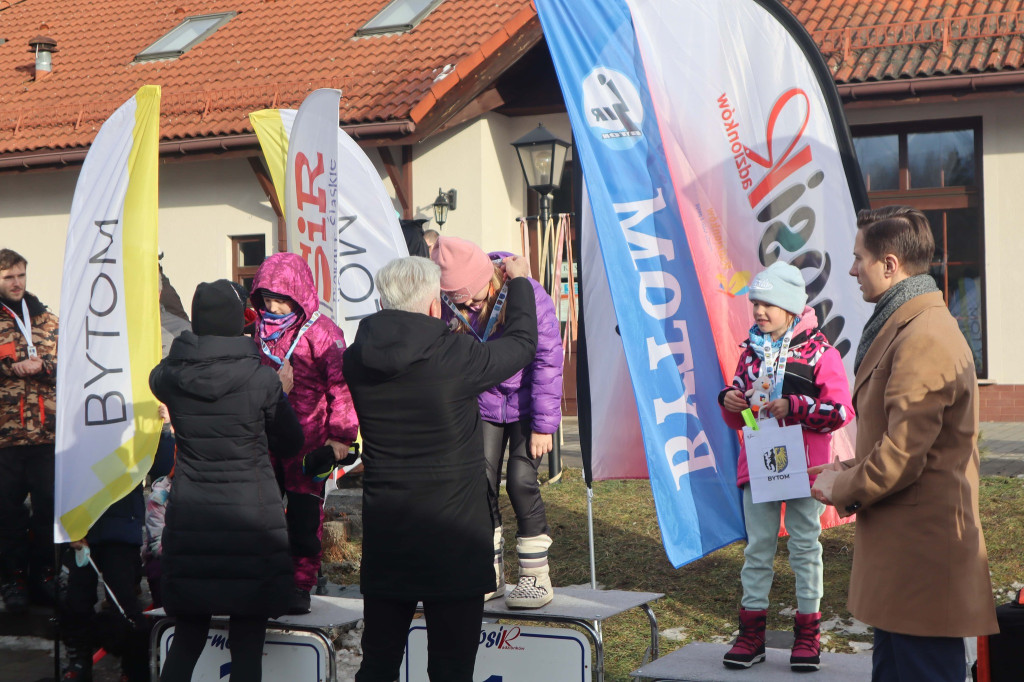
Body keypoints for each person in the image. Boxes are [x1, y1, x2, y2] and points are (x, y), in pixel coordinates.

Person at [810, 206, 998, 681]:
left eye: (859, 258)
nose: (852, 269)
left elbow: (903, 456)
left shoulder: (924, 335)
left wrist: (843, 487)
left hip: (921, 565)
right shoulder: (906, 325)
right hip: (904, 562)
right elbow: (905, 442)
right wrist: (844, 468)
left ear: (890, 264)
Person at [343, 255, 537, 682]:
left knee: (377, 665)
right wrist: (519, 283)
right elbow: (523, 343)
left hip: (389, 531)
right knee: (451, 670)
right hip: (454, 535)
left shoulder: (355, 359)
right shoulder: (456, 356)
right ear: (434, 306)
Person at [149, 279, 304, 682]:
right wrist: (281, 392)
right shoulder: (262, 380)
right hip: (250, 521)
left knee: (186, 639)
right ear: (240, 322)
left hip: (193, 517)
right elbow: (290, 443)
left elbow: (157, 376)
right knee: (247, 645)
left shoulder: (169, 377)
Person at [717, 261, 854, 671]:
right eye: (756, 302)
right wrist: (731, 401)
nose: (759, 311)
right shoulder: (750, 352)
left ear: (792, 308)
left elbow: (841, 411)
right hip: (759, 466)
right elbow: (743, 413)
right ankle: (751, 635)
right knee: (757, 549)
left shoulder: (821, 352)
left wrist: (796, 406)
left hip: (804, 469)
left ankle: (808, 635)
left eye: (768, 303)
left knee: (804, 548)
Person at [431, 236, 563, 608]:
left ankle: (536, 576)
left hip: (526, 406)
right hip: (485, 405)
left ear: (489, 278)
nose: (471, 307)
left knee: (521, 482)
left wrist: (543, 425)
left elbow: (548, 361)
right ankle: (488, 573)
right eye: (462, 303)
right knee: (480, 484)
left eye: (475, 298)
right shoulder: (451, 306)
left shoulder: (528, 294)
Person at [250, 252, 359, 614]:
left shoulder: (322, 332)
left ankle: (301, 584)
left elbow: (341, 387)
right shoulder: (259, 333)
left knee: (304, 516)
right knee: (262, 513)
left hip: (309, 441)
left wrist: (341, 436)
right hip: (266, 437)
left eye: (280, 299)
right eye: (266, 300)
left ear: (298, 294)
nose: (274, 307)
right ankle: (269, 577)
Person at [0, 248, 58, 613]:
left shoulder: (47, 319)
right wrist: (11, 367)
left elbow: (70, 363)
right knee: (7, 515)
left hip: (46, 437)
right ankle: (13, 579)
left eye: (20, 275)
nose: (17, 283)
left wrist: (44, 367)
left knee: (47, 512)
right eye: (8, 277)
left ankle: (44, 578)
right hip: (5, 439)